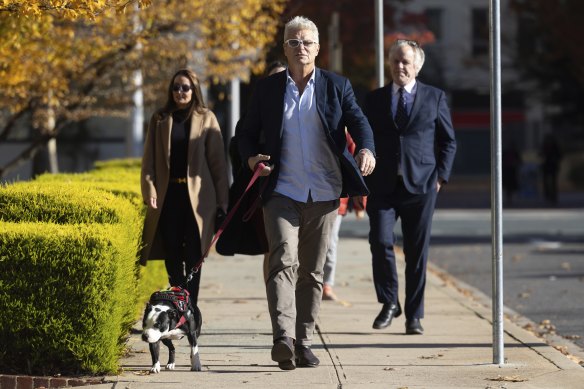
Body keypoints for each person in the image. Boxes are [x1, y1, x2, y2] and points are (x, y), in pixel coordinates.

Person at [238, 16, 376, 370]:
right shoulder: (268, 90)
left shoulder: (335, 86)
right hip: (282, 189)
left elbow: (359, 121)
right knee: (283, 260)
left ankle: (304, 341)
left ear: (318, 48)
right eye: (294, 42)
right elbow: (245, 133)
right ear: (284, 48)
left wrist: (366, 149)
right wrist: (251, 157)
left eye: (307, 42)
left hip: (326, 191)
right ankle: (282, 337)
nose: (301, 48)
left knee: (312, 271)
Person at [363, 40, 457, 335]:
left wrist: (441, 177)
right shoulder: (375, 99)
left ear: (417, 65)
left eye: (405, 62)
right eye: (395, 61)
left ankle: (414, 316)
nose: (399, 67)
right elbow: (364, 135)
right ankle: (389, 301)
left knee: (417, 253)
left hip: (422, 186)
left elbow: (448, 141)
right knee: (379, 241)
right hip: (382, 186)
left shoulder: (435, 97)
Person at [140, 68, 229, 307]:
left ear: (194, 90)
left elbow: (218, 165)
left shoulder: (206, 117)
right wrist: (149, 190)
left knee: (194, 256)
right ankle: (180, 304)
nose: (180, 92)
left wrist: (223, 203)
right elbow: (148, 162)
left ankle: (189, 310)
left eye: (186, 87)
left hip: (199, 200)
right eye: (176, 87)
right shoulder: (160, 119)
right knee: (172, 255)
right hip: (169, 197)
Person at [216, 60, 287, 283]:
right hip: (263, 193)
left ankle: (294, 300)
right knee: (274, 248)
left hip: (297, 187)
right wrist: (253, 161)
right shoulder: (253, 115)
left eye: (284, 79)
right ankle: (275, 300)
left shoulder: (299, 111)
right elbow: (238, 147)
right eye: (273, 79)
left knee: (295, 250)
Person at [322, 132, 366, 301]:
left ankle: (327, 284)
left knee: (330, 243)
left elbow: (356, 167)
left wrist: (359, 203)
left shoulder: (346, 133)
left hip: (338, 198)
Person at [540, 133, 562, 204]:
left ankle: (553, 196)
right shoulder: (545, 146)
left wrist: (555, 159)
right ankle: (548, 194)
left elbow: (560, 155)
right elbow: (541, 154)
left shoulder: (555, 147)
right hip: (546, 165)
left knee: (553, 181)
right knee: (546, 181)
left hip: (553, 166)